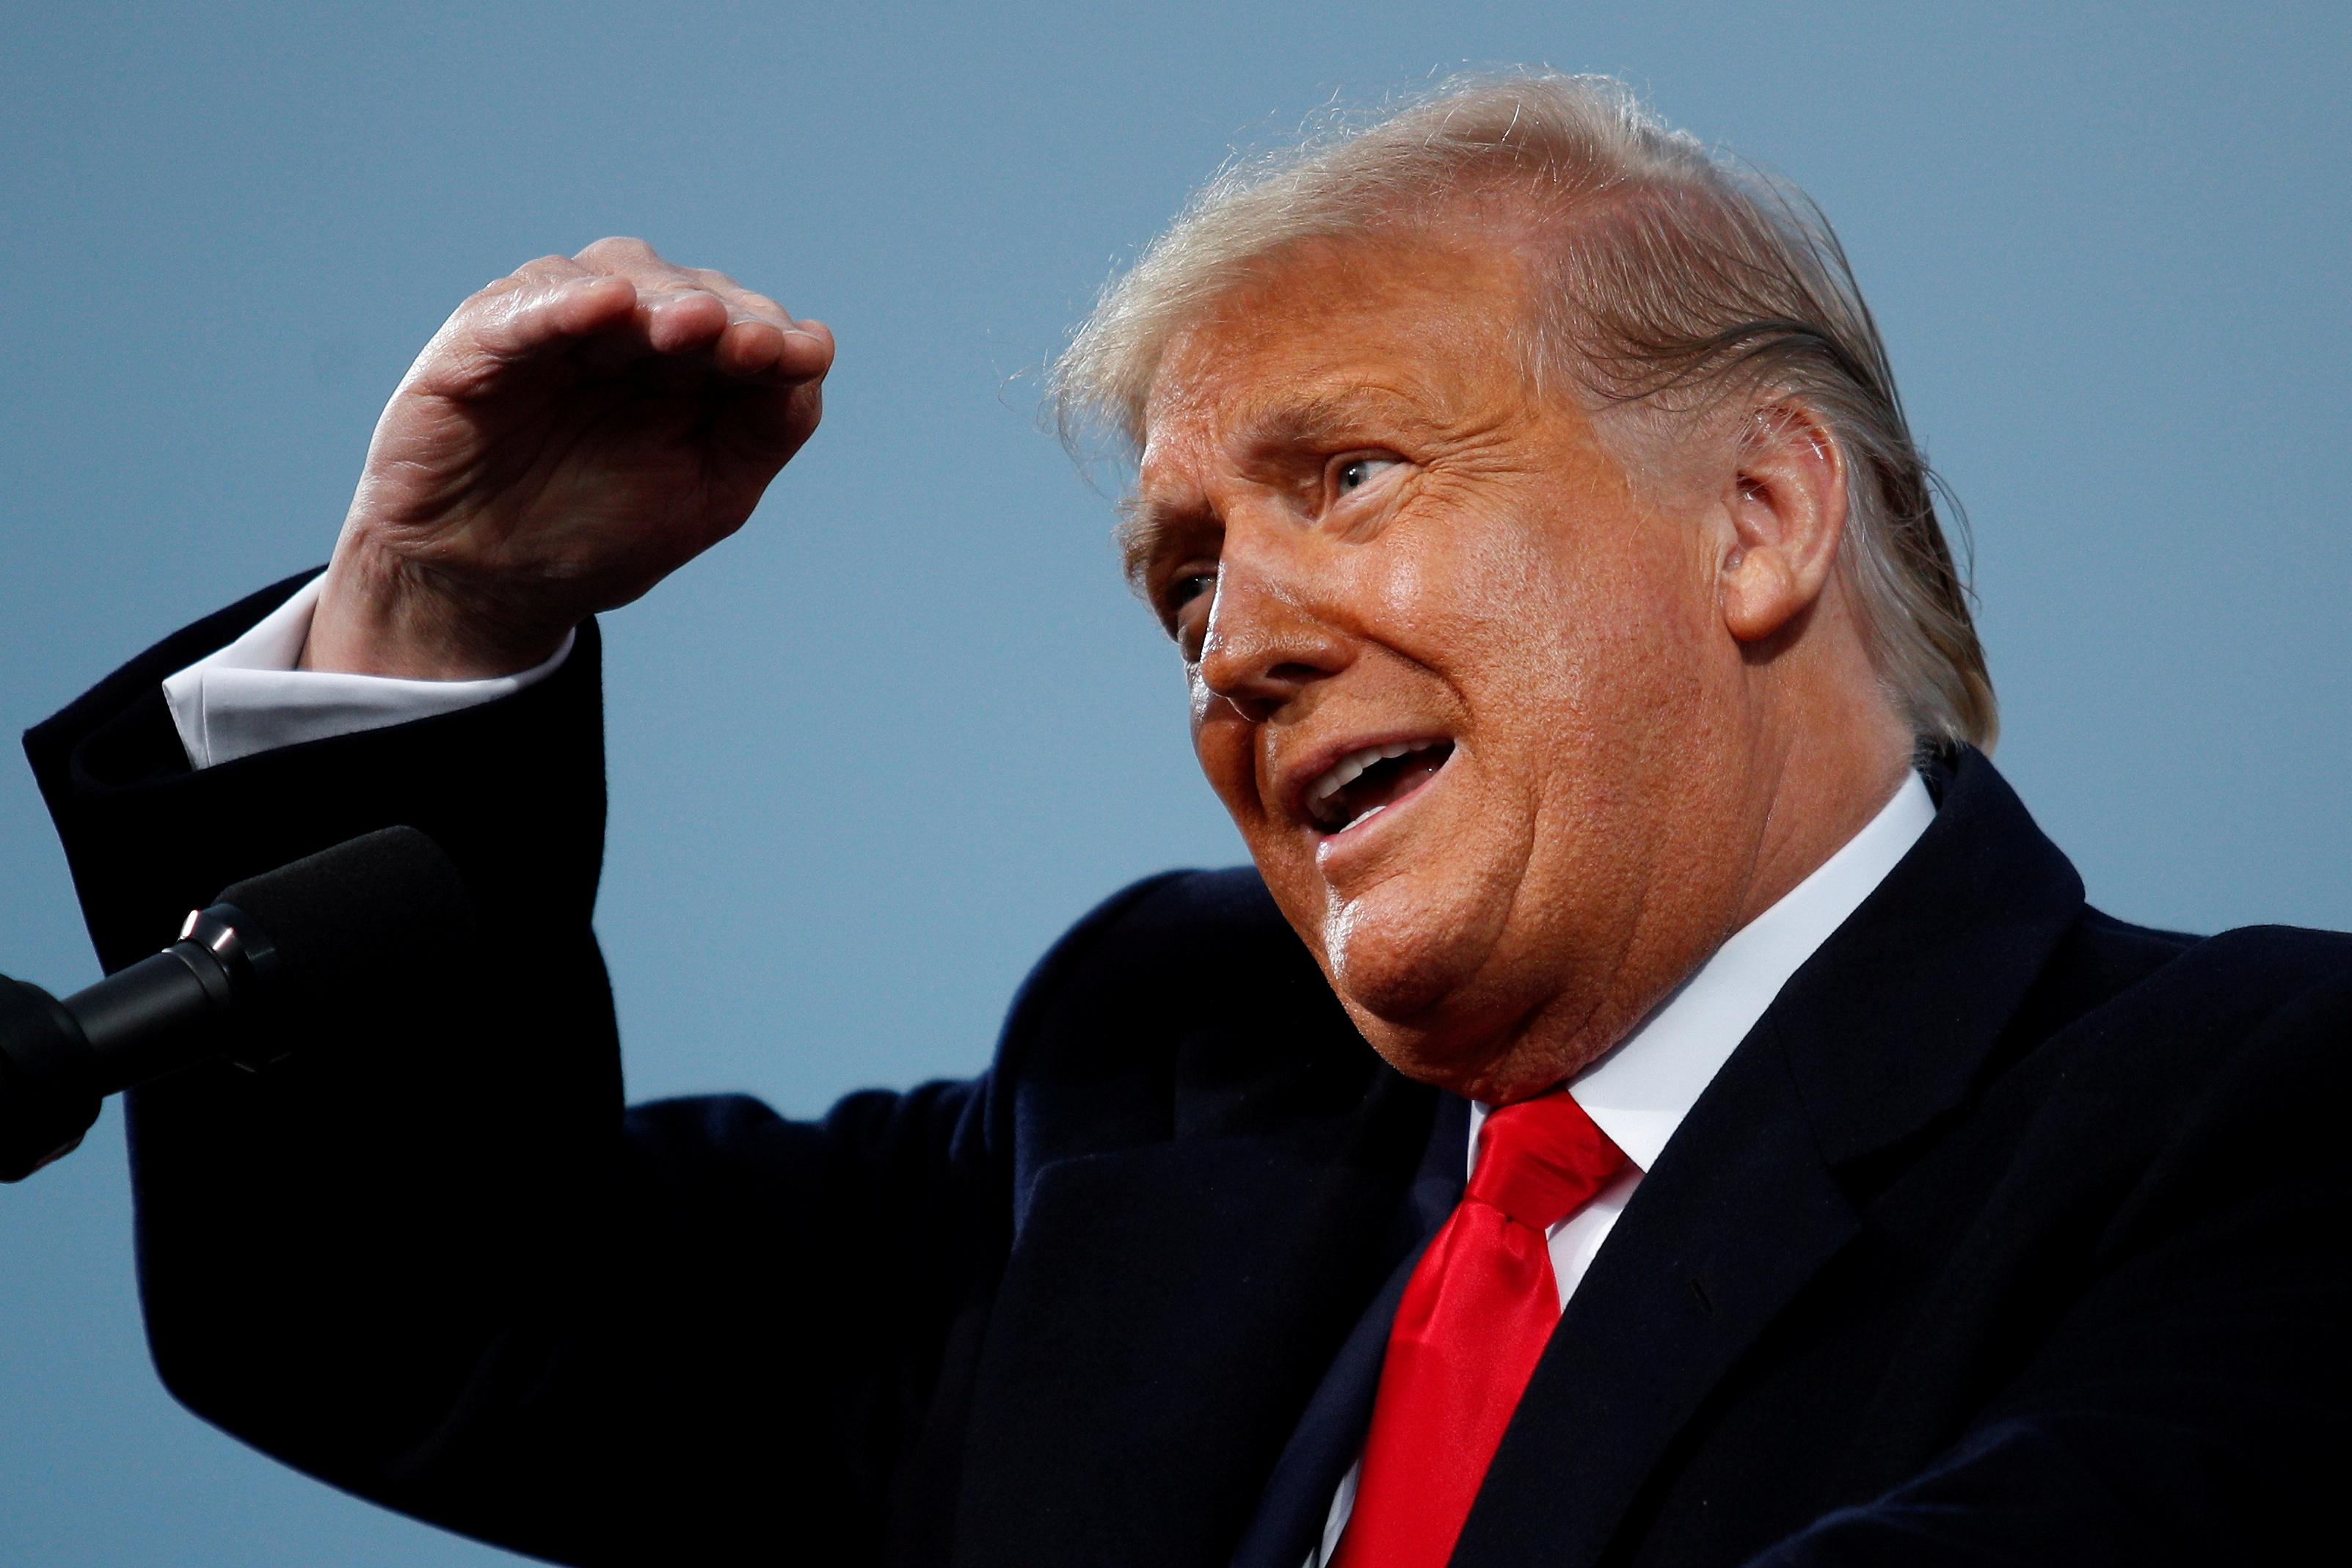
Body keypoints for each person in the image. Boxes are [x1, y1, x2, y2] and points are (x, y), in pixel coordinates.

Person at [26, 73, 2348, 1568]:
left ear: (1755, 515)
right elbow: (422, 1316)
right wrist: (437, 610)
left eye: (1348, 474)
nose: (1233, 643)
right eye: (1181, 581)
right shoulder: (1159, 1096)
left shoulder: (2257, 1119)